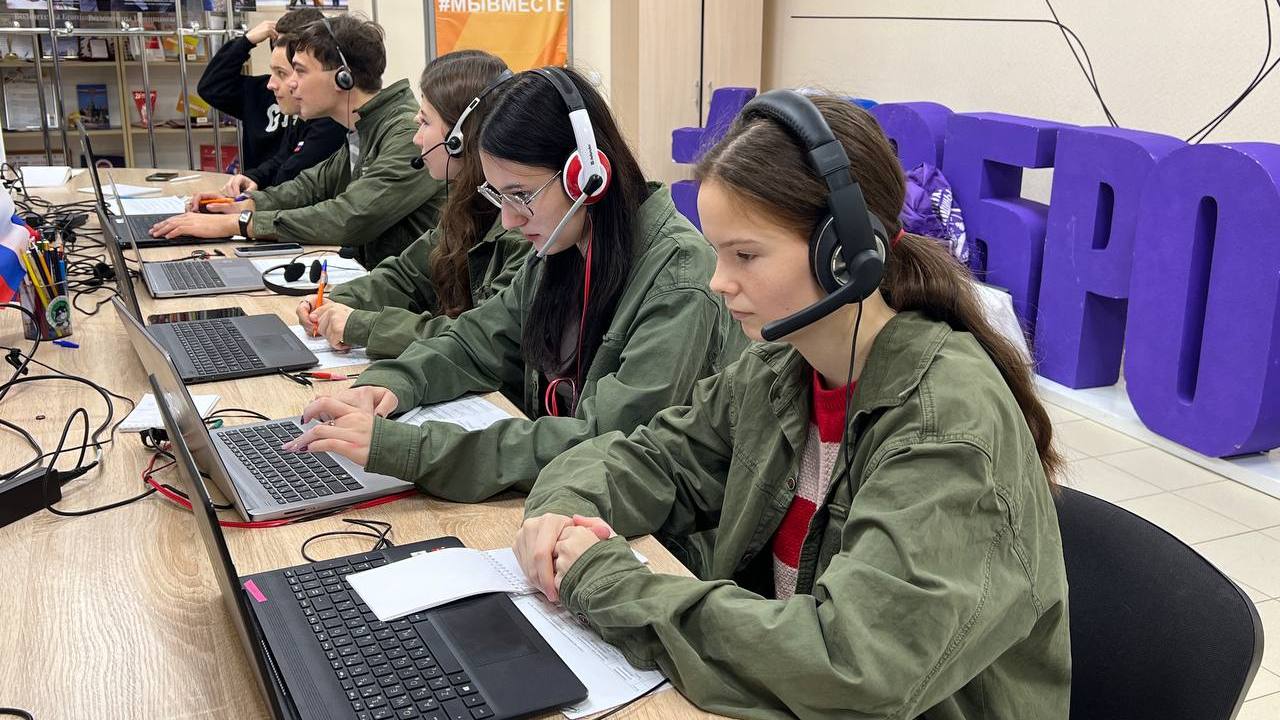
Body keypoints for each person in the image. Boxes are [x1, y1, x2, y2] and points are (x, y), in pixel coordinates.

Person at [512, 91, 1071, 719]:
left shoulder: (948, 425)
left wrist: (609, 583)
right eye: (718, 251)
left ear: (844, 255)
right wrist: (563, 510)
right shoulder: (783, 367)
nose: (718, 281)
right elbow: (655, 458)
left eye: (745, 255)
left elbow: (854, 666)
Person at [280, 67, 750, 503]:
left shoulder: (678, 280)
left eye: (521, 195)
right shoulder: (562, 247)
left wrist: (412, 449)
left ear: (588, 177)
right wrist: (391, 384)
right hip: (563, 499)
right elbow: (474, 341)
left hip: (648, 534)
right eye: (498, 196)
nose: (508, 219)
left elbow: (605, 439)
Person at [151, 15, 445, 270]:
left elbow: (350, 216)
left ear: (343, 78)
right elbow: (310, 187)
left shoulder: (407, 134)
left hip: (418, 303)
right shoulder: (364, 129)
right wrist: (241, 205)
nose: (290, 83)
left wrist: (239, 223)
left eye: (300, 71)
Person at [297, 49, 531, 358]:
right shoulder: (469, 203)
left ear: (459, 139)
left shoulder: (521, 225)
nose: (417, 138)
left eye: (425, 122)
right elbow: (408, 275)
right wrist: (335, 302)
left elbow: (482, 337)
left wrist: (363, 325)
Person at [200, 12, 347, 195]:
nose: (272, 84)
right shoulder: (290, 105)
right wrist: (246, 41)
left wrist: (253, 201)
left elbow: (292, 181)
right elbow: (281, 161)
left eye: (283, 72)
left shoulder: (329, 118)